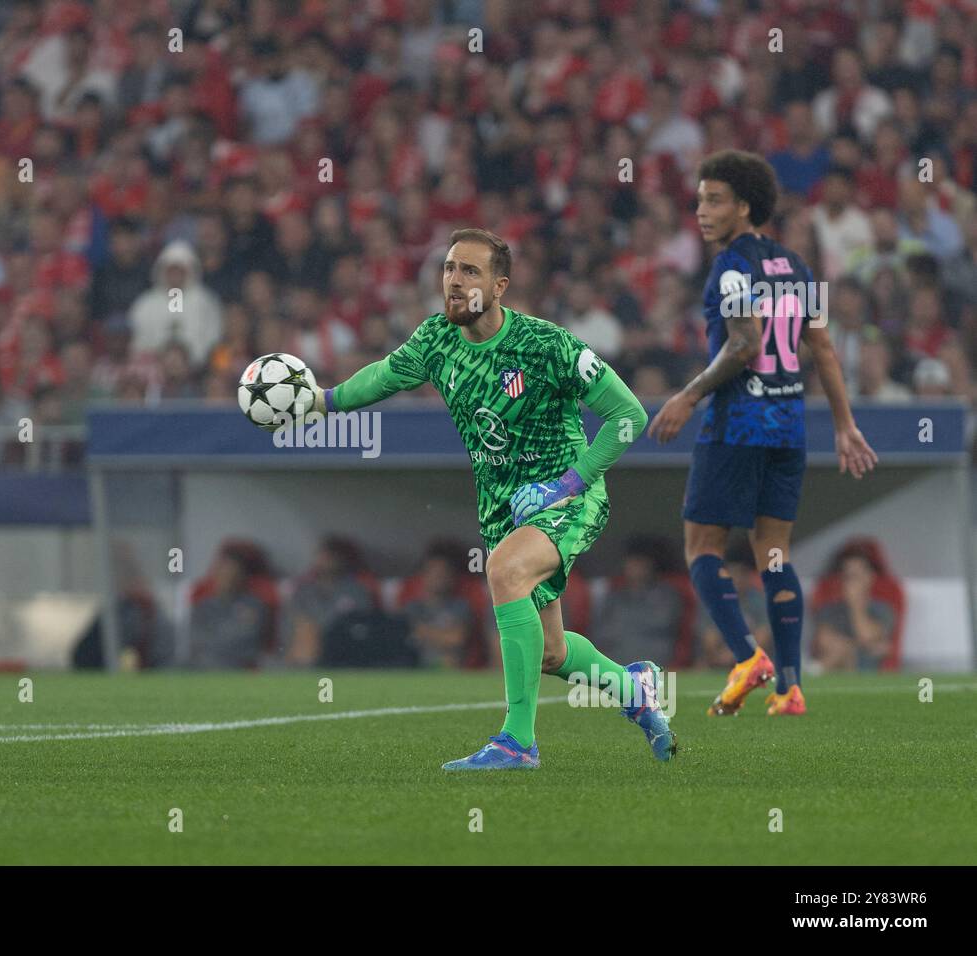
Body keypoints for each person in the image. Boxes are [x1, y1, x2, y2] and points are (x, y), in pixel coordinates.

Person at [313, 228, 674, 769]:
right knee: (551, 653)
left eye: (470, 272)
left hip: (568, 495)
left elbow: (629, 416)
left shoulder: (547, 345)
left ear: (500, 286)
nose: (453, 282)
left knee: (505, 571)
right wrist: (321, 402)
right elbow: (383, 377)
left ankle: (517, 742)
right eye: (449, 269)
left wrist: (569, 484)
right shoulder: (436, 339)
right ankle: (635, 691)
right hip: (502, 507)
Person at [648, 150, 878, 717]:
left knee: (702, 546)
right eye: (699, 198)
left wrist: (688, 394)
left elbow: (745, 342)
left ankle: (748, 657)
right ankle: (791, 688)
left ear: (744, 207)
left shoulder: (730, 266)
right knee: (773, 553)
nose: (701, 210)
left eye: (714, 199)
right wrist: (844, 426)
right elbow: (821, 346)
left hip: (738, 422)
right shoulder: (797, 265)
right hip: (789, 425)